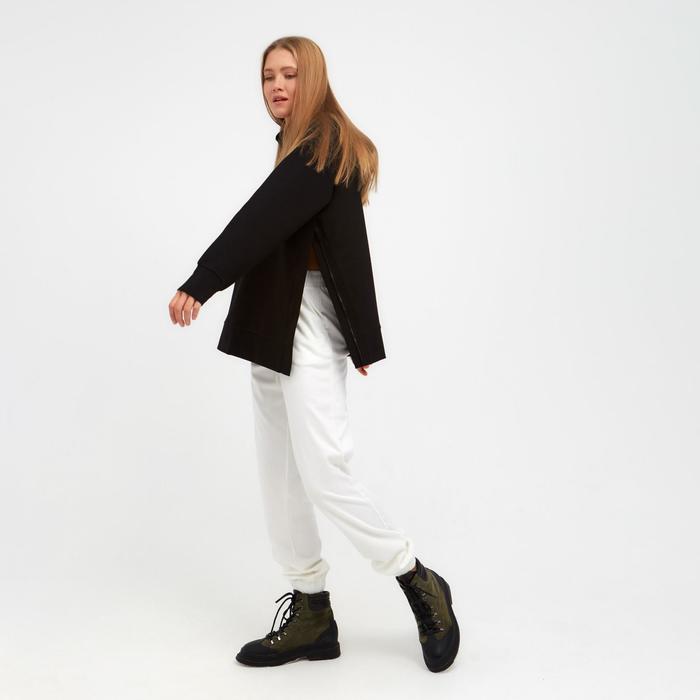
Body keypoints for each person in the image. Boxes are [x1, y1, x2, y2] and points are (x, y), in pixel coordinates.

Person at [168, 35, 459, 673]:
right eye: (268, 76)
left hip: (305, 321)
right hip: (272, 320)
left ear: (315, 80)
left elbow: (265, 221)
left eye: (290, 75)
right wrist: (359, 334)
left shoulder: (323, 143)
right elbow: (324, 239)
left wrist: (202, 280)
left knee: (324, 468)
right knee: (279, 473)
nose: (277, 86)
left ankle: (416, 576)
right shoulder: (297, 146)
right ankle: (311, 611)